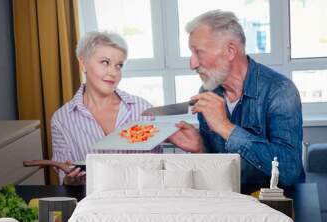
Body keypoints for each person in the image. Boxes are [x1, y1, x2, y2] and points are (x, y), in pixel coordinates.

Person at [168, 10, 304, 194]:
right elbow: (219, 168)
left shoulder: (280, 91)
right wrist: (200, 147)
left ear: (230, 51)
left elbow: (289, 171)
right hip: (232, 199)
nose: (192, 64)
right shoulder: (208, 92)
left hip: (278, 201)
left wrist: (225, 127)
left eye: (198, 52)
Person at [51, 31, 158, 185]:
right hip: (92, 204)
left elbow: (155, 168)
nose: (113, 72)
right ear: (83, 63)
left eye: (119, 66)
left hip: (139, 201)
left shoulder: (143, 110)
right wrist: (71, 180)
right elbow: (65, 178)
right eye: (105, 62)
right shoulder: (62, 119)